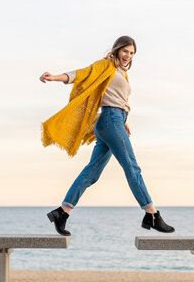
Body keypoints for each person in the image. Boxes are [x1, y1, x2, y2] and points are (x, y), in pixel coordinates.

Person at [39, 36, 175, 236]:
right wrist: (55, 77)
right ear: (117, 50)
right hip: (110, 120)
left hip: (113, 121)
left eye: (132, 53)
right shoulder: (105, 65)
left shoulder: (120, 72)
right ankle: (151, 214)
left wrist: (124, 122)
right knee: (132, 167)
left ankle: (62, 212)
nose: (128, 56)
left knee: (92, 173)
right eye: (126, 51)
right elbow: (82, 74)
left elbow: (116, 98)